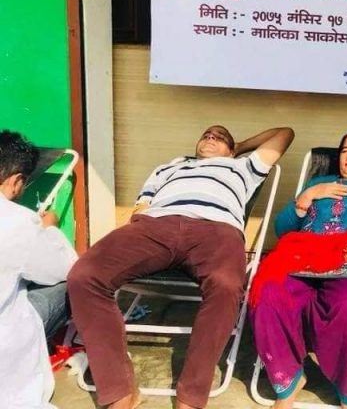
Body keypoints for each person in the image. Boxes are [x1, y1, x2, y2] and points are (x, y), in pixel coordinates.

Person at [68, 124, 294, 409]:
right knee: (85, 275)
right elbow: (142, 205)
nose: (211, 137)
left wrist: (238, 149)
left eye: (220, 137)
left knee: (226, 286)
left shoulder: (243, 167)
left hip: (217, 230)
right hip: (157, 225)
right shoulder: (170, 167)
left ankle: (191, 397)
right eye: (207, 135)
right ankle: (120, 391)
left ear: (232, 150)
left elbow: (285, 134)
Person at [250, 129, 347, 409]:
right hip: (301, 258)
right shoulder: (318, 183)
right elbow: (282, 228)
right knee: (266, 294)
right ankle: (288, 382)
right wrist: (308, 196)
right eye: (345, 150)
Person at [0, 130, 78, 409]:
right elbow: (65, 269)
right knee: (74, 283)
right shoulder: (17, 220)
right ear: (16, 181)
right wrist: (50, 230)